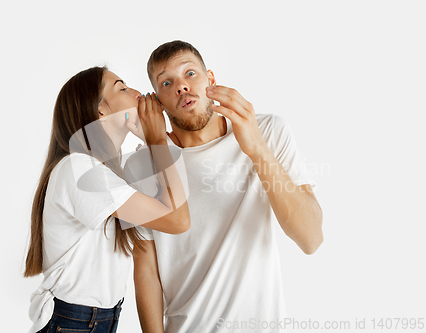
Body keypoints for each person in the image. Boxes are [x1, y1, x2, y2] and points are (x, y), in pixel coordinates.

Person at [124, 41, 324, 332]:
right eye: (167, 82)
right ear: (158, 101)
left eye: (190, 73)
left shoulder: (267, 131)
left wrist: (256, 149)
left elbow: (311, 238)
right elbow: (146, 271)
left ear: (211, 81)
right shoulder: (144, 164)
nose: (181, 86)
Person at [24, 66, 190, 333]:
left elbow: (172, 210)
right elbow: (178, 219)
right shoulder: (79, 170)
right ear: (100, 110)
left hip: (95, 321)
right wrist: (157, 137)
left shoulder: (107, 172)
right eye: (122, 88)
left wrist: (154, 144)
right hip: (71, 323)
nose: (137, 93)